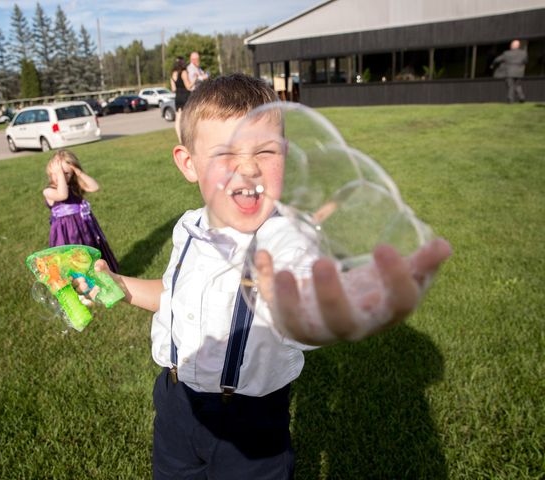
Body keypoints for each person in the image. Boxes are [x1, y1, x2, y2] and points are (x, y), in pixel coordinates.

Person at [74, 74, 451, 478]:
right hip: (174, 400)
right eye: (225, 153)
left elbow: (303, 303)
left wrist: (325, 313)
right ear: (188, 163)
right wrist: (123, 286)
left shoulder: (289, 241)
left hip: (250, 419)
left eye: (266, 151)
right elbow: (174, 293)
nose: (248, 168)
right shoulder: (187, 228)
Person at [43, 149, 120, 273]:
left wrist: (79, 172)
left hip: (84, 228)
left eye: (66, 173)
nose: (61, 176)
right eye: (57, 172)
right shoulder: (48, 191)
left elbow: (95, 187)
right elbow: (62, 195)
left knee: (89, 253)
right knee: (71, 260)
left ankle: (97, 279)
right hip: (66, 232)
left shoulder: (73, 187)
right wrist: (61, 174)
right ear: (50, 170)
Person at [170, 56, 193, 143]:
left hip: (177, 97)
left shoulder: (173, 73)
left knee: (178, 118)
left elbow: (173, 89)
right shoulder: (183, 72)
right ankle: (188, 136)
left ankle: (180, 139)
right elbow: (188, 86)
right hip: (185, 96)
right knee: (187, 117)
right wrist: (195, 79)